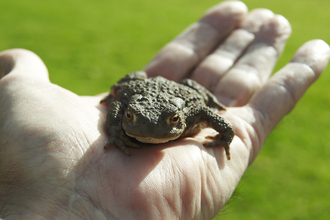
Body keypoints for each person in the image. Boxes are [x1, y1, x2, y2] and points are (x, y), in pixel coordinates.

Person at [0, 1, 329, 219]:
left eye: (172, 124)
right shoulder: (129, 108)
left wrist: (224, 136)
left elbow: (211, 114)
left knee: (199, 93)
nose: (146, 130)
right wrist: (117, 130)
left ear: (179, 121)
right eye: (130, 120)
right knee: (127, 85)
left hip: (177, 97)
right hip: (145, 94)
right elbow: (120, 103)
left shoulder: (188, 114)